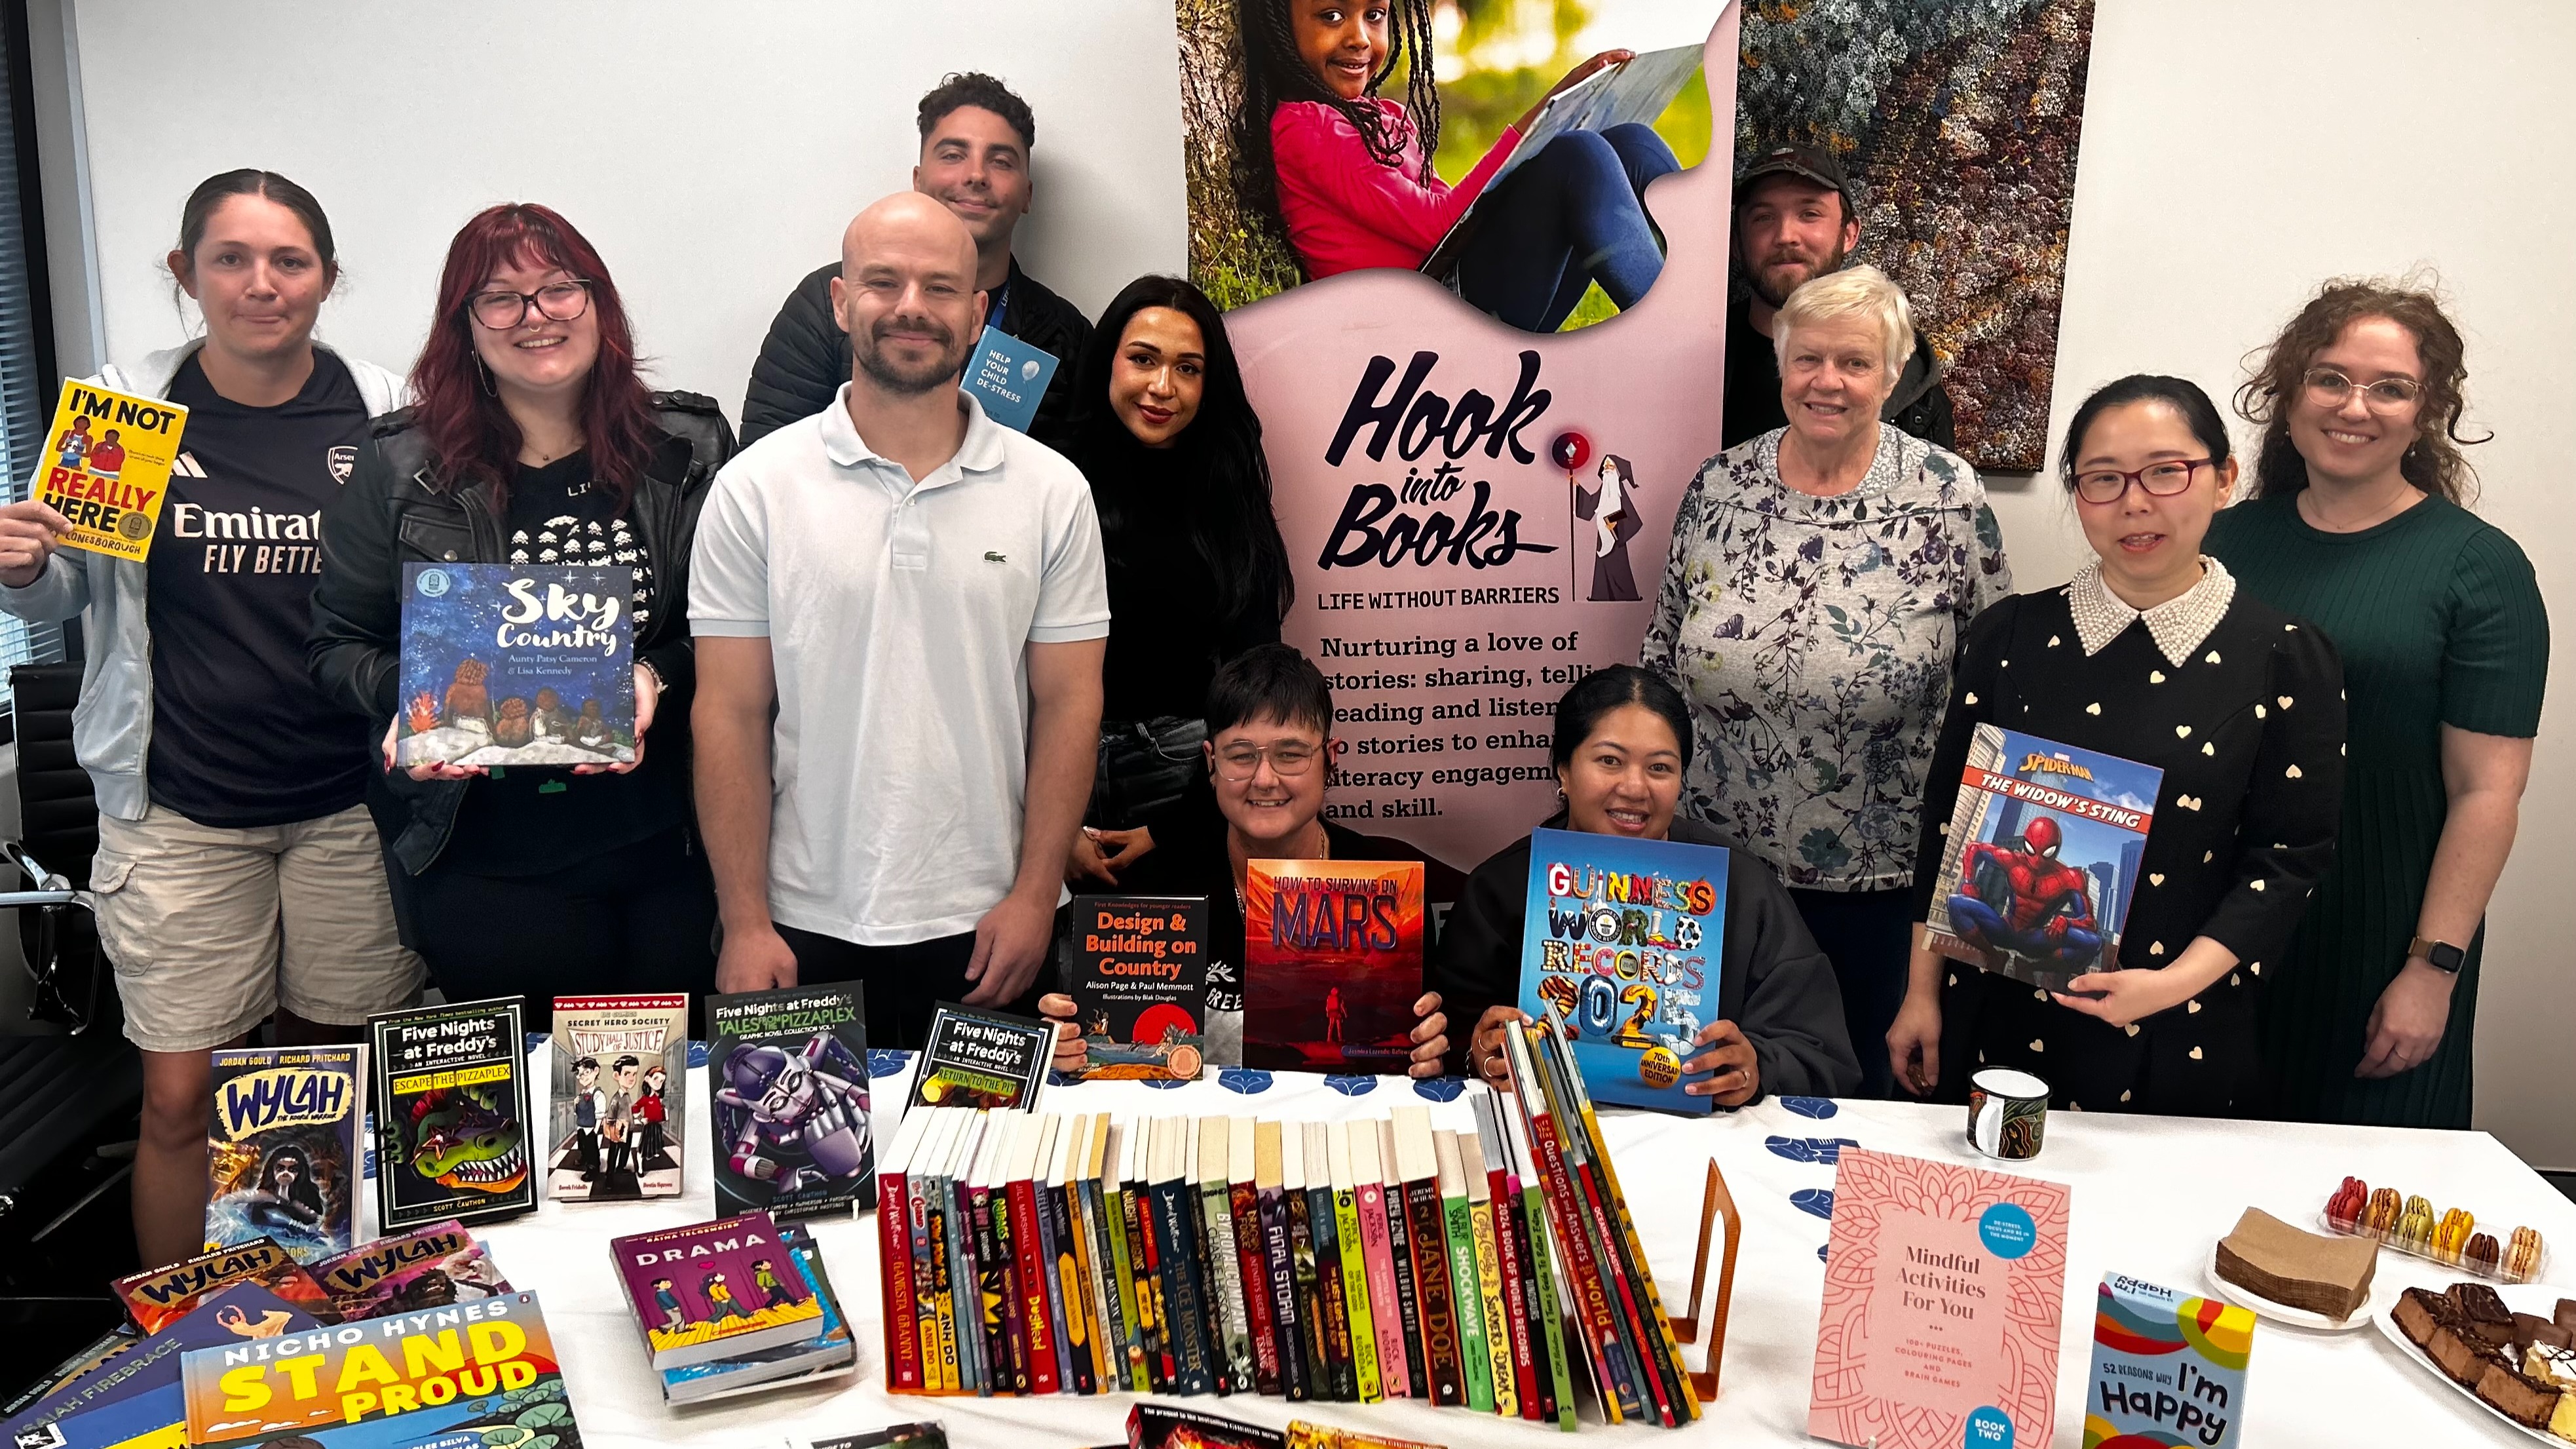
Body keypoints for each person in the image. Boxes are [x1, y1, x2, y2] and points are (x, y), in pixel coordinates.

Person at [0, 169, 419, 1269]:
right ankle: (185, 1347)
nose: (261, 284)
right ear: (185, 274)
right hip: (182, 806)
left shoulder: (385, 411)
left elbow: (423, 588)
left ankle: (300, 1319)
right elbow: (66, 594)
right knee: (183, 1096)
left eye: (289, 260)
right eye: (230, 259)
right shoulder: (127, 413)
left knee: (317, 1086)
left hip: (347, 805)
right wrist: (24, 571)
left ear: (326, 278)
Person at [693, 193, 1108, 1048]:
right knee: (807, 1174)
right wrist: (744, 920)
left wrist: (1036, 896)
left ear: (976, 313)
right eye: (884, 282)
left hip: (992, 928)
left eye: (940, 287)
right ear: (843, 302)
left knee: (988, 1181)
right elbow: (728, 711)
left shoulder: (1052, 491)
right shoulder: (755, 487)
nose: (912, 306)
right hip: (799, 926)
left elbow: (1071, 704)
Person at [309, 203, 732, 1032]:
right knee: (519, 1130)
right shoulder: (400, 466)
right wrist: (418, 696)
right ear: (466, 326)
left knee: (658, 1120)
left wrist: (655, 675)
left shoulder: (687, 448)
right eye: (500, 299)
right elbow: (333, 646)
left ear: (598, 304)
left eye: (558, 291)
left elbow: (739, 631)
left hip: (668, 848)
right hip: (482, 859)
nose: (535, 317)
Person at [1886, 376, 2347, 1117]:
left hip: (2173, 1023)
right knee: (1980, 1224)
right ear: (2076, 494)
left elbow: (2286, 861)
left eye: (2166, 471)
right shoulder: (2008, 637)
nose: (2134, 502)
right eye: (2102, 479)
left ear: (2223, 479)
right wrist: (1919, 995)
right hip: (1990, 1021)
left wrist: (2166, 987)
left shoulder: (2284, 657)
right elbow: (1946, 827)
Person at [1642, 264, 2008, 1096]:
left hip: (1882, 892)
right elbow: (1660, 657)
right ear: (1779, 365)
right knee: (1717, 1096)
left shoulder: (1946, 496)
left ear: (1892, 372)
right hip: (1718, 881)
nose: (1826, 382)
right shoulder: (1717, 487)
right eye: (1807, 360)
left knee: (1864, 1112)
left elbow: (1992, 691)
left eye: (1853, 362)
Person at [2206, 280, 2547, 1129]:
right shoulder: (2219, 543)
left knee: (2357, 1224)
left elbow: (2487, 792)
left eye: (2388, 386)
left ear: (2427, 408)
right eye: (2330, 378)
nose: (2354, 405)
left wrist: (2432, 971)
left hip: (2378, 946)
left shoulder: (2479, 568)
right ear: (2289, 394)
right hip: (2215, 935)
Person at [1437, 666, 1861, 1103]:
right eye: (1609, 761)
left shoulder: (1740, 886)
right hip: (1547, 1142)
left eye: (1660, 767)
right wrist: (1479, 1056)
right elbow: (1440, 1047)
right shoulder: (1500, 889)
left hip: (1705, 1143)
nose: (1635, 787)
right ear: (1563, 769)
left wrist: (1756, 1068)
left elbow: (1821, 1053)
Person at [1038, 644, 1456, 1075]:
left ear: (1330, 760)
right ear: (1210, 763)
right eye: (1241, 755)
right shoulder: (1149, 887)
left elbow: (1414, 1048)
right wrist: (1065, 1045)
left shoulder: (1389, 888)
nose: (1265, 778)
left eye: (1290, 754)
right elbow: (1110, 1056)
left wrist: (1426, 1049)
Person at [1241, 0, 1678, 332]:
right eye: (1332, 16)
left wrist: (1557, 116)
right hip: (1428, 334)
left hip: (1462, 300)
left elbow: (1450, 211)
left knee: (1629, 142)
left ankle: (1716, 286)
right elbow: (1440, 229)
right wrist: (1548, 109)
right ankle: (1675, 332)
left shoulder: (1381, 116)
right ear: (1279, 22)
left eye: (1374, 15)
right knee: (1577, 157)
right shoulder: (1305, 130)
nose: (1359, 37)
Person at [1063, 276, 1292, 887]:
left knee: (1167, 975)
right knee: (1055, 975)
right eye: (1143, 359)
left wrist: (1177, 825)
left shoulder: (1226, 493)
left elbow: (1256, 678)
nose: (1163, 387)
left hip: (1182, 772)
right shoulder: (1048, 479)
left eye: (1187, 369)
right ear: (1108, 359)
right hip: (1055, 766)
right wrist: (1052, 825)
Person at [741, 72, 1092, 450]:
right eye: (954, 155)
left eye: (1001, 161)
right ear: (919, 180)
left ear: (1027, 194)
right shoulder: (826, 305)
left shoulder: (1067, 337)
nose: (976, 175)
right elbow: (768, 467)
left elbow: (1073, 491)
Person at [1721, 145, 1954, 450]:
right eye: (1764, 217)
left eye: (1809, 214)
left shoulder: (1914, 395)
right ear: (1736, 241)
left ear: (1849, 234)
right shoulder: (1692, 371)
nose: (1785, 235)